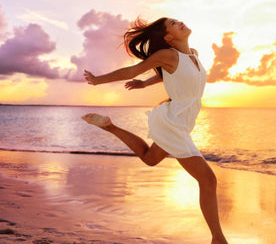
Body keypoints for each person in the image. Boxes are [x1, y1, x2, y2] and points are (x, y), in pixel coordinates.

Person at [81, 17, 228, 244]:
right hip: (174, 122)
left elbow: (167, 74)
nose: (180, 22)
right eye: (173, 24)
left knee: (150, 158)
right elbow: (132, 71)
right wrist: (98, 80)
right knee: (208, 180)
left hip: (184, 119)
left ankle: (110, 126)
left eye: (177, 20)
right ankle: (218, 239)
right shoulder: (166, 55)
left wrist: (144, 84)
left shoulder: (193, 54)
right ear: (168, 37)